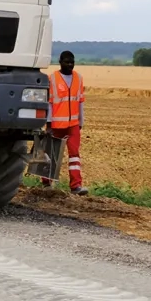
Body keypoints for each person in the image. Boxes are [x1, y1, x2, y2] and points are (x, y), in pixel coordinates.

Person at [42, 50, 88, 195]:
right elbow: (49, 103)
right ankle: (47, 183)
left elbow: (80, 101)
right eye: (67, 62)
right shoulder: (52, 79)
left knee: (74, 154)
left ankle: (76, 186)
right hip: (56, 125)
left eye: (72, 62)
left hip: (73, 124)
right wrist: (48, 125)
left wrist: (81, 121)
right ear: (60, 62)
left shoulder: (79, 78)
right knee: (52, 154)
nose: (70, 65)